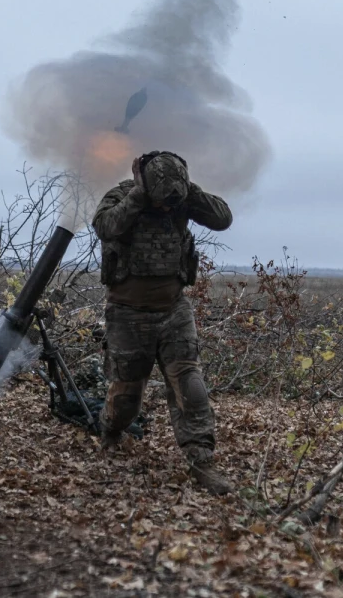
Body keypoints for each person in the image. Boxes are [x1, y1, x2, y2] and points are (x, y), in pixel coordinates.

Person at [91, 150, 233, 495]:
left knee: (191, 387)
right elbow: (105, 226)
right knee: (126, 401)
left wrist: (188, 190)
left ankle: (202, 462)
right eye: (164, 200)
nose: (169, 209)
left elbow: (222, 218)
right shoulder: (124, 194)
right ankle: (110, 430)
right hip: (127, 313)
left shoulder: (181, 197)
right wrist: (140, 194)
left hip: (173, 309)